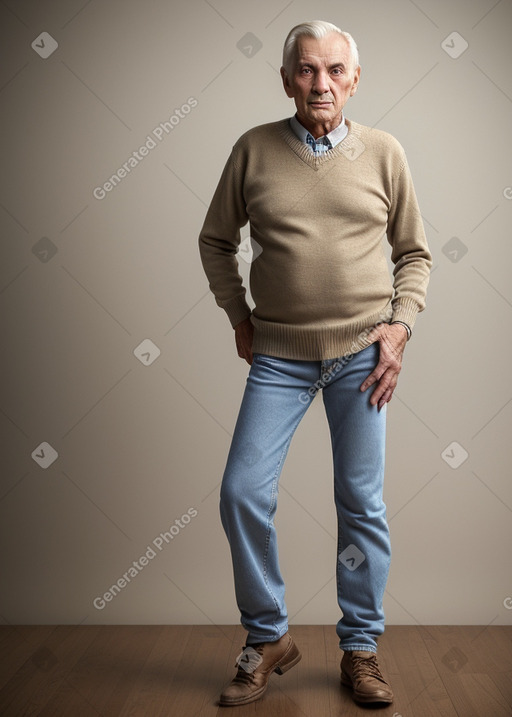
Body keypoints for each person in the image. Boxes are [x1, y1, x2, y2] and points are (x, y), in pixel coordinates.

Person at [198, 20, 432, 707]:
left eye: (334, 70)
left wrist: (399, 328)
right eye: (306, 69)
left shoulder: (385, 153)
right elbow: (216, 239)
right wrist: (238, 314)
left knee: (361, 503)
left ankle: (360, 647)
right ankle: (269, 633)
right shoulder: (254, 150)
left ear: (354, 80)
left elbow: (414, 254)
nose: (320, 82)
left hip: (364, 356)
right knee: (242, 491)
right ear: (285, 79)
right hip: (279, 356)